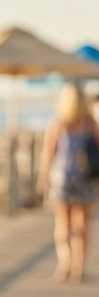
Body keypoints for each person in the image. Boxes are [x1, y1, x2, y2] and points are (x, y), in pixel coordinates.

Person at [39, 83, 99, 283]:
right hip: (85, 180)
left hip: (61, 179)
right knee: (82, 225)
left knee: (63, 224)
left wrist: (43, 177)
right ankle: (78, 268)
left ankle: (65, 263)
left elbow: (48, 153)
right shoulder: (91, 124)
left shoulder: (57, 123)